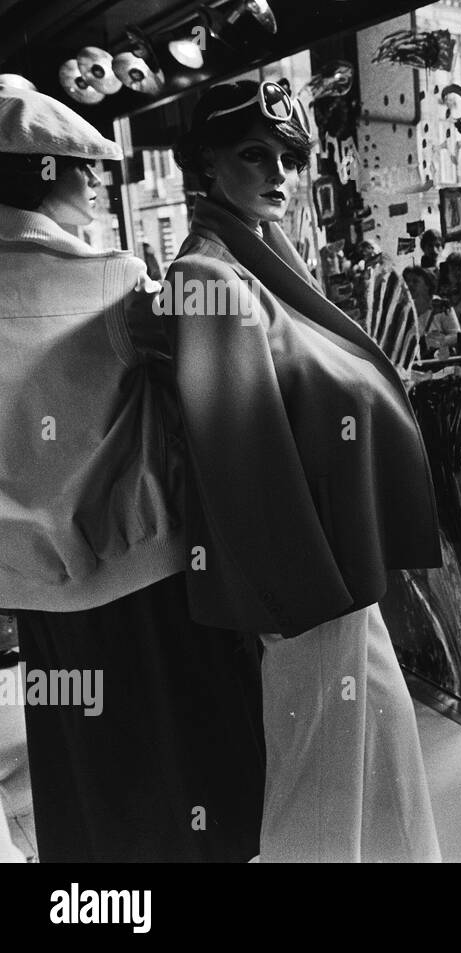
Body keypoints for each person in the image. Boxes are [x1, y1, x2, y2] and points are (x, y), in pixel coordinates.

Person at [166, 80, 441, 862]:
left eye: (290, 155)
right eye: (257, 154)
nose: (281, 172)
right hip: (309, 581)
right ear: (207, 164)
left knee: (384, 753)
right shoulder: (210, 278)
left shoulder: (265, 258)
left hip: (341, 571)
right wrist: (299, 598)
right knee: (317, 789)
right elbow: (241, 465)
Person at [0, 86, 265, 862]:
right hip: (154, 586)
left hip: (44, 607)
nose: (95, 183)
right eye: (83, 169)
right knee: (200, 780)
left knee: (96, 792)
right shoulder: (114, 281)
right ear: (43, 174)